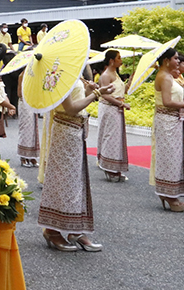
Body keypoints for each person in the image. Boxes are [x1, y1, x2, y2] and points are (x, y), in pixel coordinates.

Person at [39, 71, 114, 252]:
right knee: (64, 180)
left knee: (75, 181)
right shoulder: (61, 75)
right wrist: (96, 94)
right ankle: (53, 230)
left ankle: (74, 229)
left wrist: (88, 90)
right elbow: (70, 108)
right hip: (65, 130)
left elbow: (76, 101)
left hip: (73, 130)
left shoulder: (72, 73)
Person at [151, 48, 184, 212]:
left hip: (173, 121)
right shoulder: (164, 77)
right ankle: (168, 194)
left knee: (174, 156)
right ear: (166, 60)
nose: (178, 61)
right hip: (167, 121)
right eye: (176, 58)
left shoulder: (169, 76)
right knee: (169, 156)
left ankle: (169, 193)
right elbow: (167, 101)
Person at [96, 50, 130, 181]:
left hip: (115, 108)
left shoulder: (115, 73)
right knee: (110, 136)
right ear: (111, 60)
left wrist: (132, 79)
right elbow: (104, 95)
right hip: (110, 108)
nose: (121, 60)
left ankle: (114, 167)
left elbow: (122, 90)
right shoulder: (106, 75)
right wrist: (121, 104)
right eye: (118, 58)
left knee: (116, 137)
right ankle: (109, 167)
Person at [16, 69, 39, 167]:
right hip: (25, 103)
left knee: (34, 129)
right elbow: (19, 94)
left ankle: (32, 156)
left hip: (32, 103)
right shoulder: (22, 75)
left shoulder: (34, 75)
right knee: (26, 129)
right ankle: (23, 156)